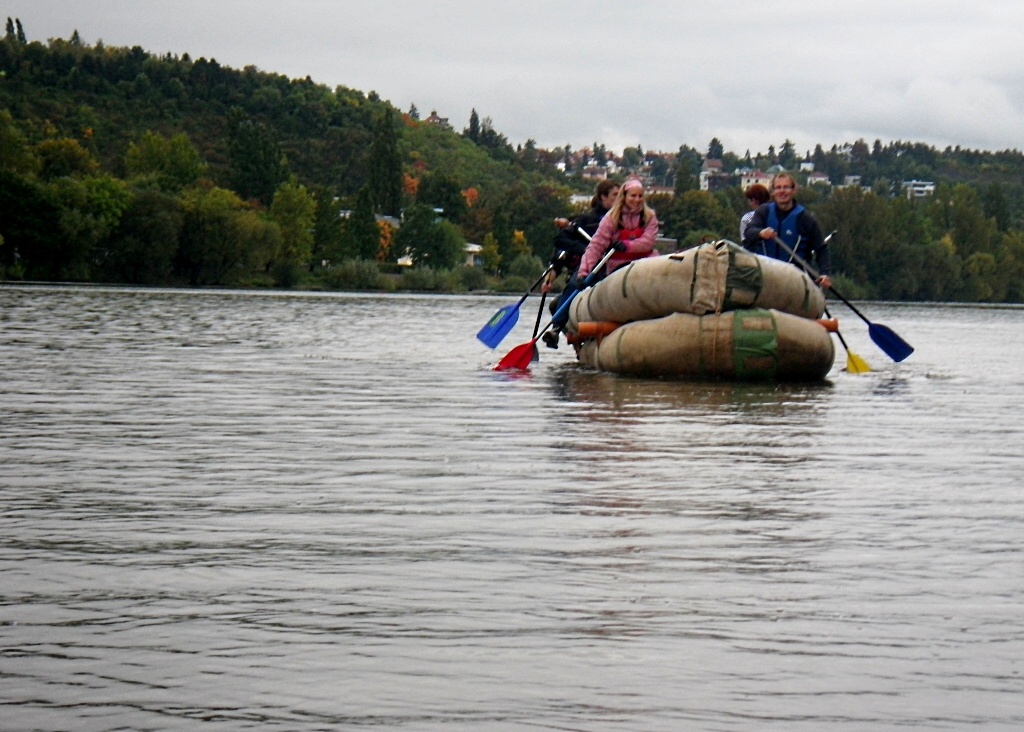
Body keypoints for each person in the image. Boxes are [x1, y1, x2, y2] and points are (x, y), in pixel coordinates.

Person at [544, 178, 659, 348]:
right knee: (576, 282)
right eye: (633, 196)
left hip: (643, 262)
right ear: (624, 197)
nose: (637, 200)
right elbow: (595, 246)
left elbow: (648, 242)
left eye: (640, 196)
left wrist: (627, 245)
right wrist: (583, 272)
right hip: (613, 264)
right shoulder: (606, 218)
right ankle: (557, 327)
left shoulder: (649, 217)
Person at [742, 172, 832, 289]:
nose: (782, 191)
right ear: (773, 192)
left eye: (786, 187)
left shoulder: (805, 219)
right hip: (765, 276)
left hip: (794, 280)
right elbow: (748, 232)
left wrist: (825, 273)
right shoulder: (763, 212)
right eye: (778, 188)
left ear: (794, 191)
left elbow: (821, 249)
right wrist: (761, 233)